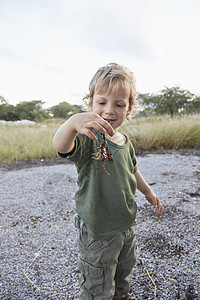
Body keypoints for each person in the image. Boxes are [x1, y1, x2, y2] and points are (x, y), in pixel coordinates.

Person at [53, 63, 163, 300]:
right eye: (102, 102)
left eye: (119, 104)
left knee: (123, 273)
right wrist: (73, 123)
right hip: (98, 231)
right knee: (98, 285)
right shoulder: (87, 138)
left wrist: (148, 192)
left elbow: (132, 171)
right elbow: (60, 146)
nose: (109, 111)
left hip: (125, 225)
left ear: (129, 109)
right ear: (90, 103)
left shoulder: (126, 142)